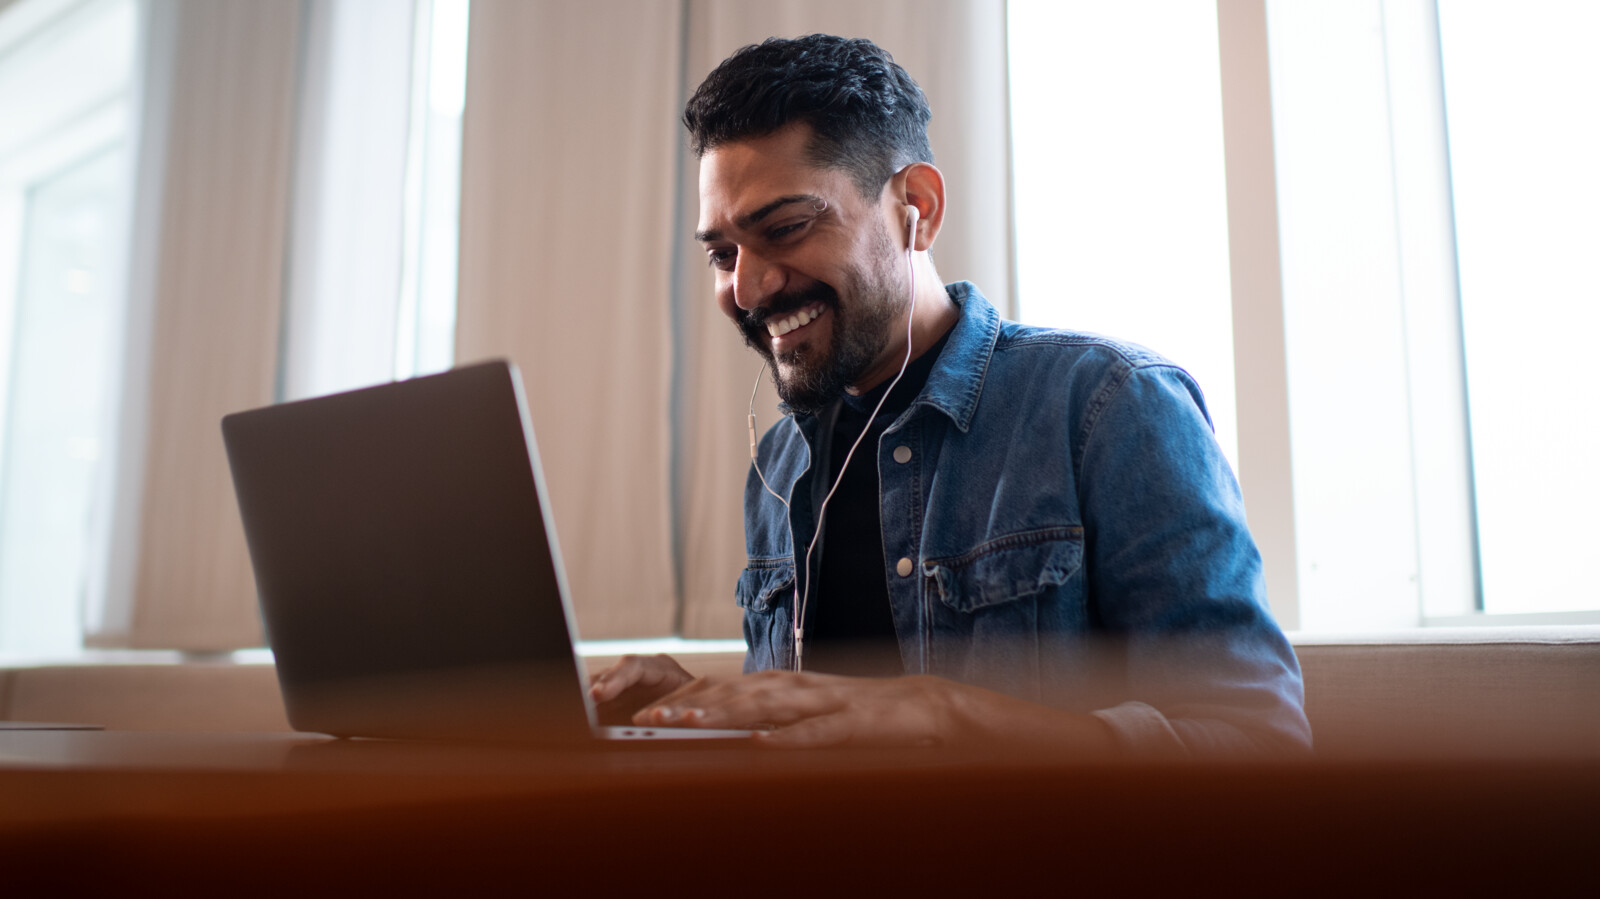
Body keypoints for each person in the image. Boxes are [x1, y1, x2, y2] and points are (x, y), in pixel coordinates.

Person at [591, 34, 1310, 755]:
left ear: (918, 207)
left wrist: (949, 717)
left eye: (784, 228)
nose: (744, 289)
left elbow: (1261, 744)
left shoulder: (1111, 407)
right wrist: (706, 714)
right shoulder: (781, 465)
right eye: (722, 254)